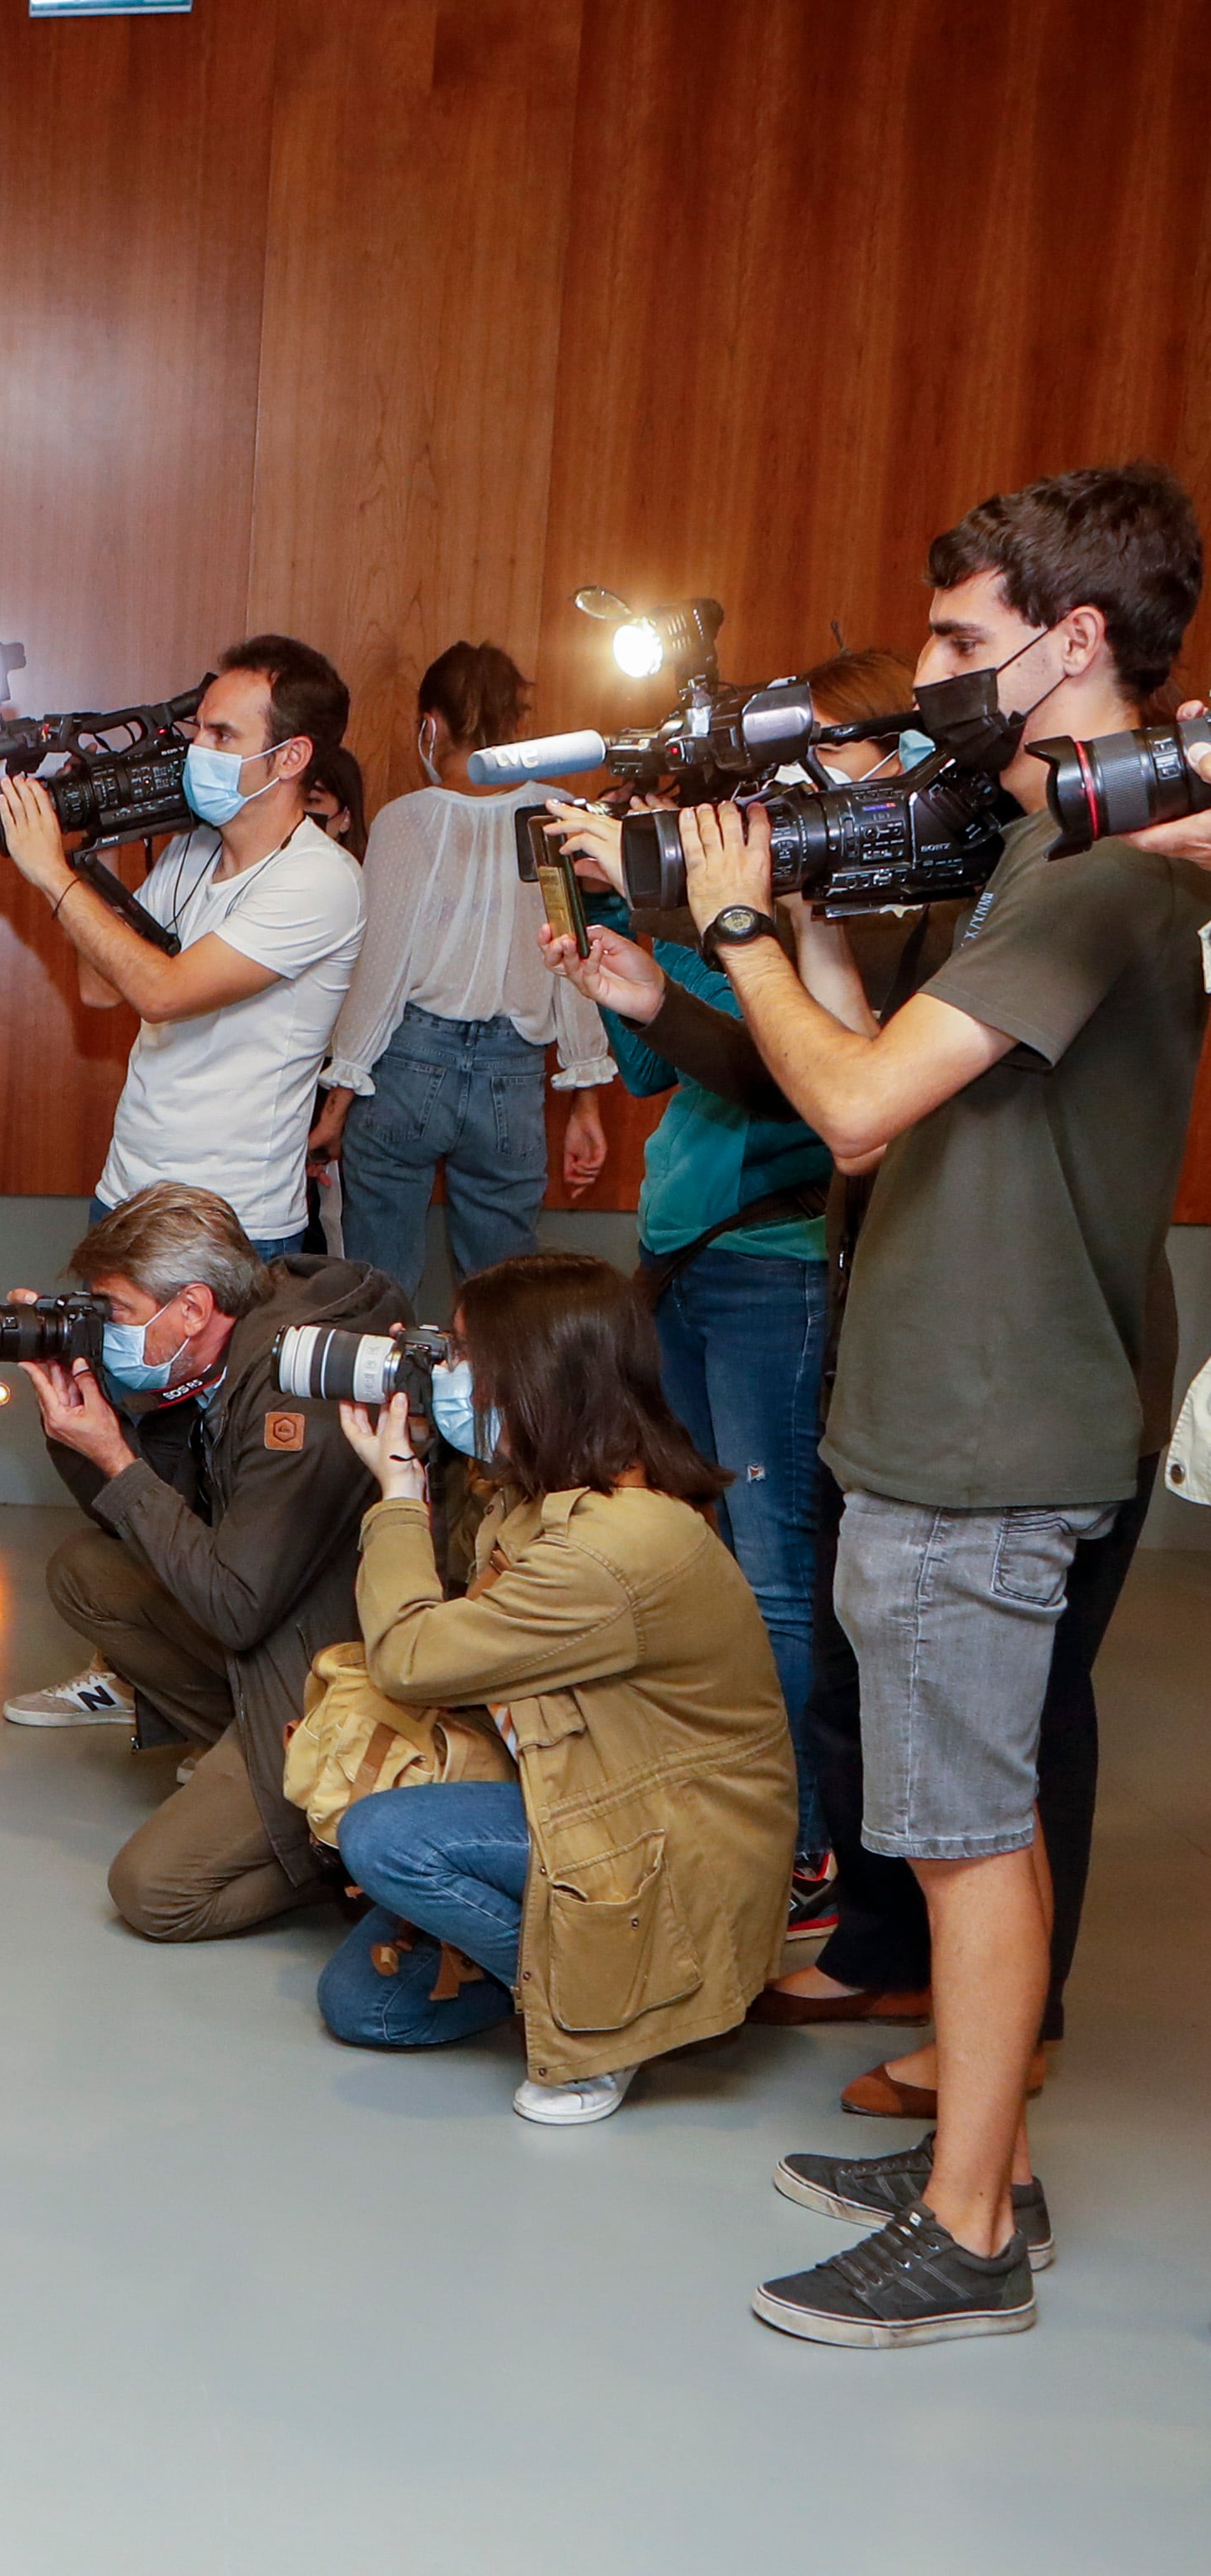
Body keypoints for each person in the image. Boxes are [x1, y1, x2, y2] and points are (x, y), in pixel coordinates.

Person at [678, 463, 1205, 2349]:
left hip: (991, 1432)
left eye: (963, 641)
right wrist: (805, 914)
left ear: (1080, 644)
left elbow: (851, 1109)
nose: (929, 671)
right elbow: (883, 1055)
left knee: (964, 1829)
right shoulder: (1042, 850)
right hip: (967, 1408)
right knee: (984, 1811)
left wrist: (738, 936)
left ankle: (970, 2237)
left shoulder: (1105, 873)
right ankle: (989, 2151)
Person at [538, 649, 931, 1940]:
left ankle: (802, 1848)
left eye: (822, 747)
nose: (790, 777)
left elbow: (809, 1088)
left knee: (774, 1573)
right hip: (688, 1249)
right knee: (702, 1556)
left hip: (774, 1261)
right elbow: (699, 1067)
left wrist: (675, 932)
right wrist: (641, 969)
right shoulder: (773, 886)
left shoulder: (876, 892)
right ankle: (740, 1812)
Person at [317, 1254, 793, 2127]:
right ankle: (563, 1972)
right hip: (584, 1788)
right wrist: (431, 1435)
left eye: (463, 1358)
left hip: (664, 1841)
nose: (445, 1375)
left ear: (535, 1379)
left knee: (384, 1837)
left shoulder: (613, 1549)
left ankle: (605, 2026)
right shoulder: (559, 1485)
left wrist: (396, 1490)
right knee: (365, 2003)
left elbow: (410, 1655)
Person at [7, 1183, 403, 1940]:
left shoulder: (297, 1393)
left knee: (154, 1891)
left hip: (338, 1672)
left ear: (191, 1307)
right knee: (90, 1573)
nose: (108, 1329)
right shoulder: (219, 1349)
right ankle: (247, 1756)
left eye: (116, 1311)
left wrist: (115, 1455)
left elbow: (235, 1604)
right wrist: (76, 1431)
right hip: (280, 1624)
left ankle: (336, 1851)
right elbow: (138, 1520)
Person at [0, 636, 367, 1263]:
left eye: (224, 737)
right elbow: (102, 986)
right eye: (200, 733)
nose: (199, 751)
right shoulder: (192, 852)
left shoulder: (321, 880)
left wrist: (54, 875)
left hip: (230, 1220)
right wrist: (96, 839)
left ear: (290, 757)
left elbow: (163, 992)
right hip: (128, 1194)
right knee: (106, 1366)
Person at [307, 642, 614, 1298]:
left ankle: (385, 1400)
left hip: (408, 1065)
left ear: (431, 724)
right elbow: (576, 957)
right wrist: (586, 1093)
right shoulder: (559, 813)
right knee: (504, 1300)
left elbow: (380, 973)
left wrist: (337, 1102)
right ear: (519, 725)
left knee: (379, 1293)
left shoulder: (404, 821)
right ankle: (494, 1403)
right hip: (514, 1074)